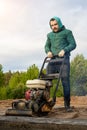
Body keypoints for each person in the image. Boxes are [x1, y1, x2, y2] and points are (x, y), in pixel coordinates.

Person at [44, 16, 76, 112]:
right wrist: (48, 51)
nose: (54, 26)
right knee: (46, 82)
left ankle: (67, 105)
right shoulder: (49, 35)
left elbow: (73, 44)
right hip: (52, 61)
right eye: (52, 25)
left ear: (59, 23)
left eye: (55, 24)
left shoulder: (67, 32)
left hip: (64, 60)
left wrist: (64, 50)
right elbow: (46, 46)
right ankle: (47, 102)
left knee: (65, 82)